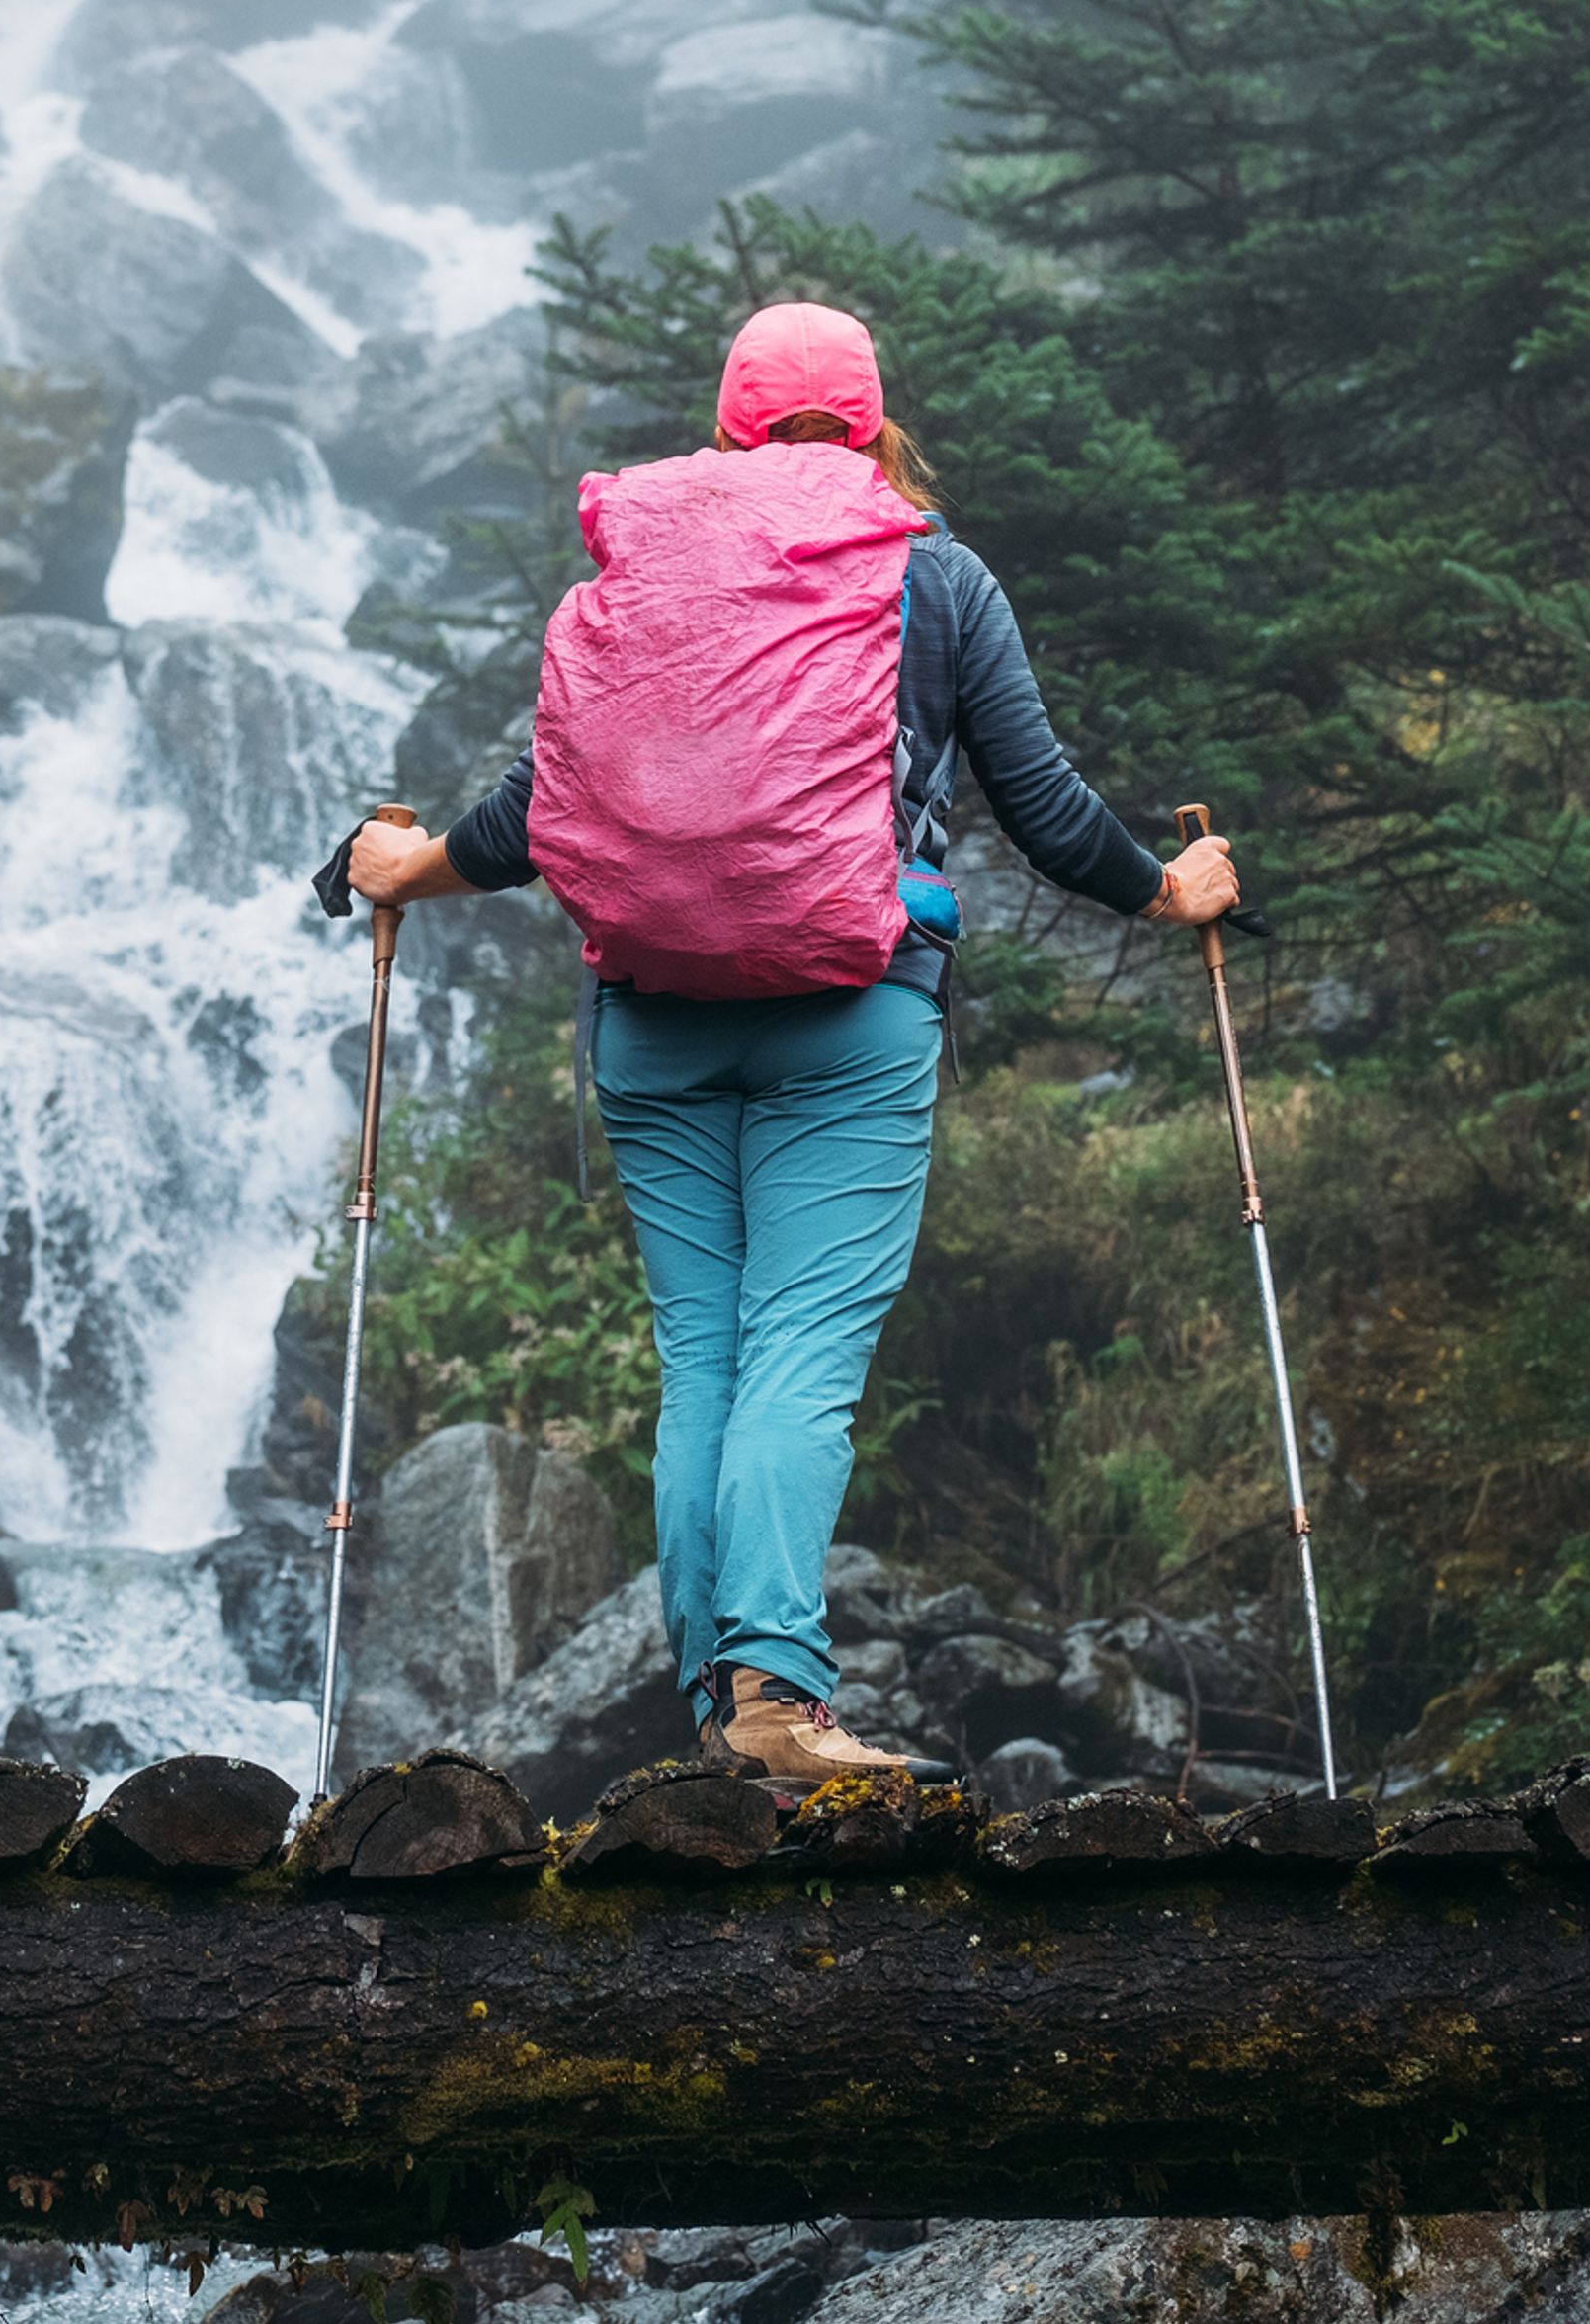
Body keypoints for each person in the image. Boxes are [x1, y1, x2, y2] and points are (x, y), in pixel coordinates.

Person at [344, 301, 1241, 1784]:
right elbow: (1041, 801)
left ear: (730, 426)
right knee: (802, 1354)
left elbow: (532, 809)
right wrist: (1168, 886)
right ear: (874, 424)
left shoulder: (647, 570)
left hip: (653, 1018)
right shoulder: (934, 575)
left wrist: (410, 865)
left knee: (705, 1355)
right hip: (851, 1007)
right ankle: (775, 1692)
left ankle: (721, 1706)